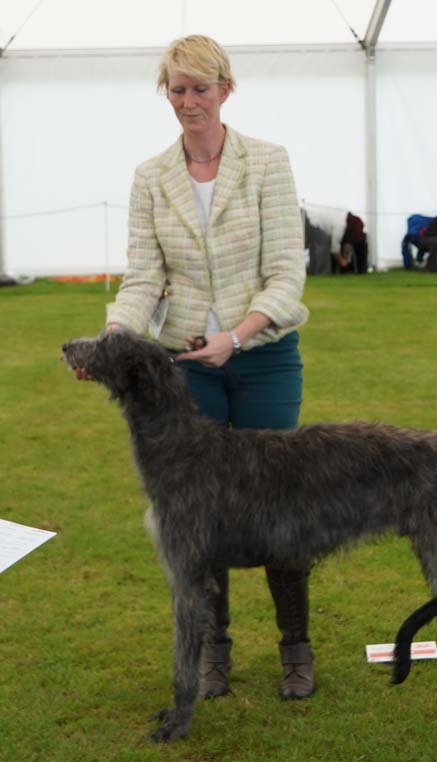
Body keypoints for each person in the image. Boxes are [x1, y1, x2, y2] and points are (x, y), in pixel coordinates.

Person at [82, 35, 314, 701]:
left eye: (200, 89)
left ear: (225, 90)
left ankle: (295, 649)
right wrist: (113, 339)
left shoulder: (267, 163)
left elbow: (285, 274)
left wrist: (238, 336)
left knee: (282, 512)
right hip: (191, 372)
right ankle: (215, 650)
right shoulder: (151, 178)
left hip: (265, 360)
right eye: (177, 90)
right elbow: (144, 277)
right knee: (198, 522)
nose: (188, 102)